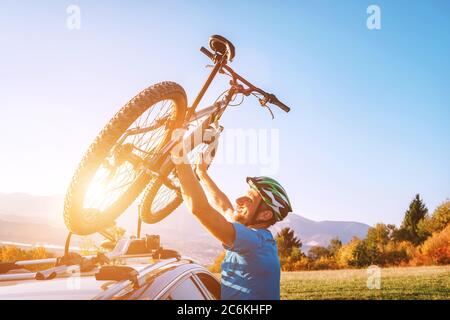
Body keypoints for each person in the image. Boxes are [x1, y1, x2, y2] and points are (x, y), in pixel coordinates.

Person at [171, 148, 292, 300]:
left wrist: (179, 155)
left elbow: (200, 209)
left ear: (265, 215)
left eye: (249, 200)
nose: (239, 200)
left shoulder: (254, 242)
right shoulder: (259, 239)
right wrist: (202, 173)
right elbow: (224, 207)